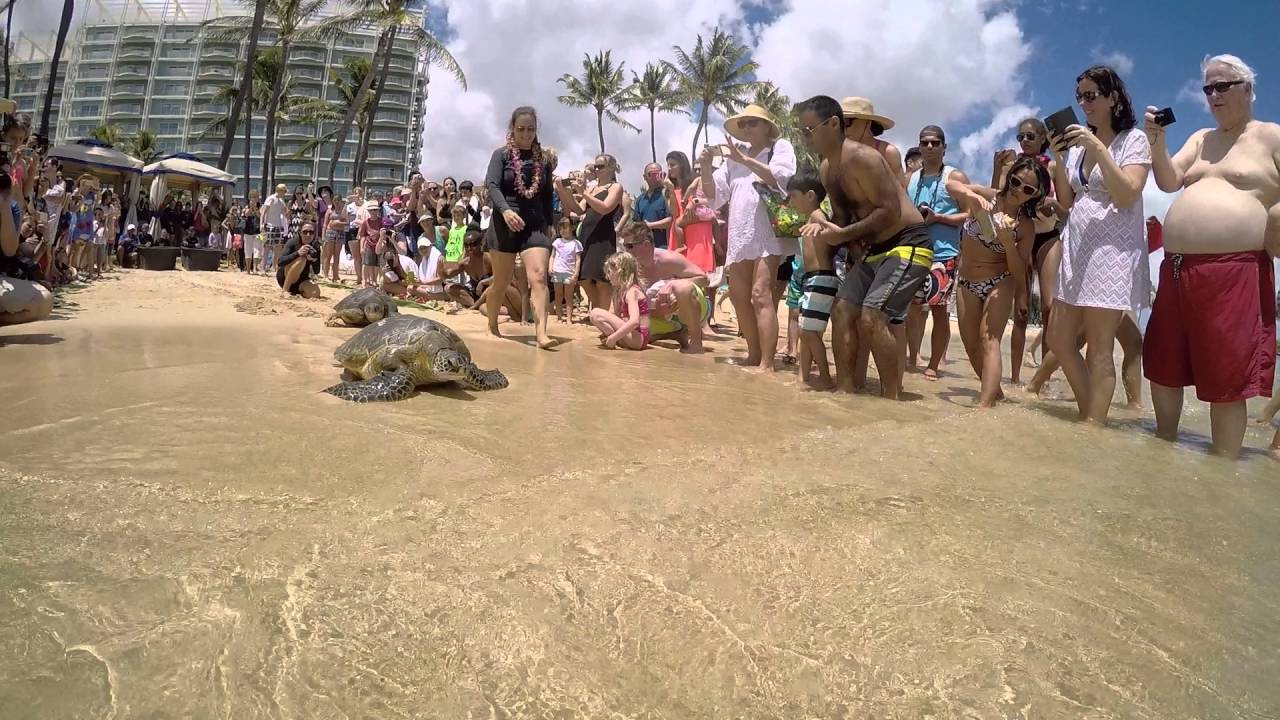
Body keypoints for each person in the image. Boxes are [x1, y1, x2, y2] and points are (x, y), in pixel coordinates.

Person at [1143, 54, 1278, 458]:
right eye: (1208, 88)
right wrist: (1157, 142)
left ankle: (1224, 470)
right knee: (1164, 365)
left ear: (1248, 89)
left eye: (1223, 86)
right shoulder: (1201, 138)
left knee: (1227, 378)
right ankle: (1160, 457)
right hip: (1178, 269)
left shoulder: (1271, 136)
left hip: (1235, 270)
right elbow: (1168, 181)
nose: (1214, 95)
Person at [795, 95, 931, 399]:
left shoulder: (864, 157)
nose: (804, 138)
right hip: (874, 249)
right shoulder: (827, 170)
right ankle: (846, 393)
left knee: (872, 316)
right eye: (801, 132)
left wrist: (842, 234)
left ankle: (890, 399)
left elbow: (889, 212)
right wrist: (825, 225)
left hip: (908, 242)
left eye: (808, 131)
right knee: (842, 310)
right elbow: (843, 218)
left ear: (833, 124)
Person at [1046, 64, 1150, 425]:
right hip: (1078, 246)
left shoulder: (1133, 140)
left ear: (1113, 98)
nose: (1084, 103)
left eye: (1091, 95)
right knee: (1058, 338)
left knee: (1101, 349)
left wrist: (1096, 147)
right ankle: (1091, 412)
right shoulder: (1076, 149)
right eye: (1080, 97)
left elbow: (1127, 193)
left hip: (1112, 251)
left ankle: (1093, 424)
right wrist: (1060, 159)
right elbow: (1066, 200)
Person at [699, 103, 798, 372]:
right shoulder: (733, 158)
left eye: (752, 122)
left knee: (760, 294)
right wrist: (707, 168)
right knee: (738, 295)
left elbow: (782, 180)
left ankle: (767, 363)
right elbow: (714, 196)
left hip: (768, 233)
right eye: (742, 124)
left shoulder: (780, 148)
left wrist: (746, 161)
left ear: (767, 126)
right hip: (740, 234)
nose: (746, 128)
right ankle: (754, 356)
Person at [947, 157, 1049, 407]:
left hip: (1000, 280)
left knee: (988, 339)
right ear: (1010, 176)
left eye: (1028, 189)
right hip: (967, 280)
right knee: (971, 345)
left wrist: (1007, 243)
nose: (1018, 190)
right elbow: (950, 185)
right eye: (1016, 181)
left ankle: (984, 407)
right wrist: (970, 197)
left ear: (1034, 195)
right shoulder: (987, 195)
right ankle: (995, 393)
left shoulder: (1025, 227)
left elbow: (1018, 270)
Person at [992, 118, 1066, 383]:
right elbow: (996, 196)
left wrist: (1053, 206)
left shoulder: (1054, 165)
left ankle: (1042, 380)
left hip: (1046, 236)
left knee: (1049, 308)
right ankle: (1013, 379)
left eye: (1030, 137)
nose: (1024, 141)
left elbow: (1066, 204)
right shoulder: (1012, 167)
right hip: (1021, 236)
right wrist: (996, 167)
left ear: (1042, 138)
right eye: (1020, 136)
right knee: (1021, 310)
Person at [485, 105, 556, 348]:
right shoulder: (501, 155)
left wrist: (550, 225)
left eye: (531, 129)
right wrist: (504, 209)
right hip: (504, 223)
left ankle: (541, 333)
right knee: (501, 282)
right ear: (512, 129)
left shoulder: (543, 160)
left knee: (538, 277)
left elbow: (547, 195)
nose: (526, 134)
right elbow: (492, 185)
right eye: (521, 129)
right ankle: (493, 325)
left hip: (535, 225)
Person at [905, 125, 971, 380]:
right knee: (909, 309)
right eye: (925, 143)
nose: (930, 147)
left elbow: (969, 213)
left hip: (943, 254)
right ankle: (912, 357)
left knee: (939, 310)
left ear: (945, 147)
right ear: (919, 147)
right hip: (912, 249)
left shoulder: (955, 177)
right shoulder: (910, 178)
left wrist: (939, 217)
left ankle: (933, 364)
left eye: (935, 143)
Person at [615, 216, 711, 353]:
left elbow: (704, 279)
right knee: (626, 334)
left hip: (692, 307)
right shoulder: (632, 267)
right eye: (625, 246)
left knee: (682, 287)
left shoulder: (668, 259)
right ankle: (675, 334)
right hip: (659, 315)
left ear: (646, 244)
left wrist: (672, 283)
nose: (627, 250)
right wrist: (657, 311)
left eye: (630, 246)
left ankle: (696, 342)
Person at [791, 170, 842, 390]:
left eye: (793, 196)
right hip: (814, 279)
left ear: (810, 195)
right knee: (807, 330)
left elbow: (822, 219)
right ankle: (802, 378)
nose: (790, 201)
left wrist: (819, 224)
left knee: (807, 331)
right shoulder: (809, 218)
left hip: (821, 279)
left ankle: (825, 376)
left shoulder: (816, 215)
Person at [557, 153, 623, 313]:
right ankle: (599, 311)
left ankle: (603, 314)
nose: (597, 170)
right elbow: (579, 209)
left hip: (603, 235)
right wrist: (563, 191)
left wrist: (584, 192)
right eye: (596, 167)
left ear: (612, 168)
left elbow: (605, 208)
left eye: (601, 166)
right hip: (587, 234)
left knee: (602, 279)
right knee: (583, 278)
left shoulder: (615, 187)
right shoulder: (592, 188)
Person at [0, 171, 53, 324]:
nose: (30, 229)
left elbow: (11, 252)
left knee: (43, 300)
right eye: (28, 225)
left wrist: (4, 202)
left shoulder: (10, 207)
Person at [842, 97, 908, 189]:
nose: (843, 129)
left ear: (867, 123)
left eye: (847, 122)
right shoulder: (839, 153)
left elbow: (901, 192)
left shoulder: (888, 153)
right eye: (840, 123)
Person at [589, 251, 650, 350]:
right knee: (597, 316)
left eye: (609, 272)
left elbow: (635, 321)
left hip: (638, 338)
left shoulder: (632, 291)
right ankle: (614, 339)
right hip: (631, 337)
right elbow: (617, 316)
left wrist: (613, 337)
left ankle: (613, 339)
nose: (607, 277)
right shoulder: (619, 291)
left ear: (620, 271)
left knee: (595, 313)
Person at [550, 216, 582, 323]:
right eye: (561, 228)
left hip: (569, 272)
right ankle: (559, 317)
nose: (563, 230)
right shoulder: (557, 242)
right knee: (558, 295)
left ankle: (569, 318)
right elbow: (552, 256)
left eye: (566, 227)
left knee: (568, 296)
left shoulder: (576, 243)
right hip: (557, 271)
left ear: (572, 228)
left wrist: (576, 273)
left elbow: (578, 259)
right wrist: (550, 267)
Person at [634, 163, 673, 249]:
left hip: (665, 246)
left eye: (657, 173)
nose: (654, 177)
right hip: (645, 247)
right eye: (650, 174)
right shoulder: (640, 199)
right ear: (644, 177)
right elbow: (636, 223)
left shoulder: (668, 195)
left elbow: (672, 220)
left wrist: (651, 225)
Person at [276, 222, 320, 298]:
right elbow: (280, 262)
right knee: (302, 259)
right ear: (300, 233)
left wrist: (313, 260)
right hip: (285, 277)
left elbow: (317, 271)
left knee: (315, 293)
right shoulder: (292, 242)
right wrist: (297, 253)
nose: (308, 235)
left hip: (302, 280)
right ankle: (285, 290)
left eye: (311, 232)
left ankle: (297, 292)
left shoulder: (315, 246)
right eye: (305, 232)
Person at [260, 184, 290, 274]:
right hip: (269, 226)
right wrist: (261, 224)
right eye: (283, 191)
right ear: (279, 190)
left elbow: (285, 212)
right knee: (266, 247)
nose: (284, 193)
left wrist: (288, 211)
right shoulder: (271, 198)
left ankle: (275, 267)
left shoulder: (281, 201)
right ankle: (263, 268)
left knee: (277, 248)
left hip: (279, 226)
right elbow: (263, 212)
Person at [357, 200, 383, 288]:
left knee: (377, 265)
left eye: (375, 210)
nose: (373, 212)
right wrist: (361, 248)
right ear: (368, 211)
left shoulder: (381, 221)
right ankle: (364, 281)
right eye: (371, 210)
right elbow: (363, 236)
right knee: (366, 264)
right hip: (369, 245)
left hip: (379, 245)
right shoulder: (365, 222)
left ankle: (374, 280)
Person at [345, 186, 365, 284]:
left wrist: (360, 202)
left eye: (360, 193)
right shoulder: (350, 206)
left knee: (364, 255)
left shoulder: (365, 204)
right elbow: (345, 217)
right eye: (356, 193)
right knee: (356, 256)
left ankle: (365, 277)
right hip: (353, 230)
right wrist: (346, 202)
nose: (358, 195)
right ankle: (359, 278)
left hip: (364, 229)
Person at [241, 191, 262, 274]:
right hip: (247, 231)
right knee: (248, 250)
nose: (254, 198)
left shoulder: (261, 206)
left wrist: (256, 208)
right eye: (253, 197)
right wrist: (250, 207)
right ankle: (248, 269)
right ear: (250, 198)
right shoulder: (246, 206)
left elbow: (260, 216)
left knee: (258, 249)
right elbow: (246, 215)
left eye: (256, 196)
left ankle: (255, 268)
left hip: (259, 231)